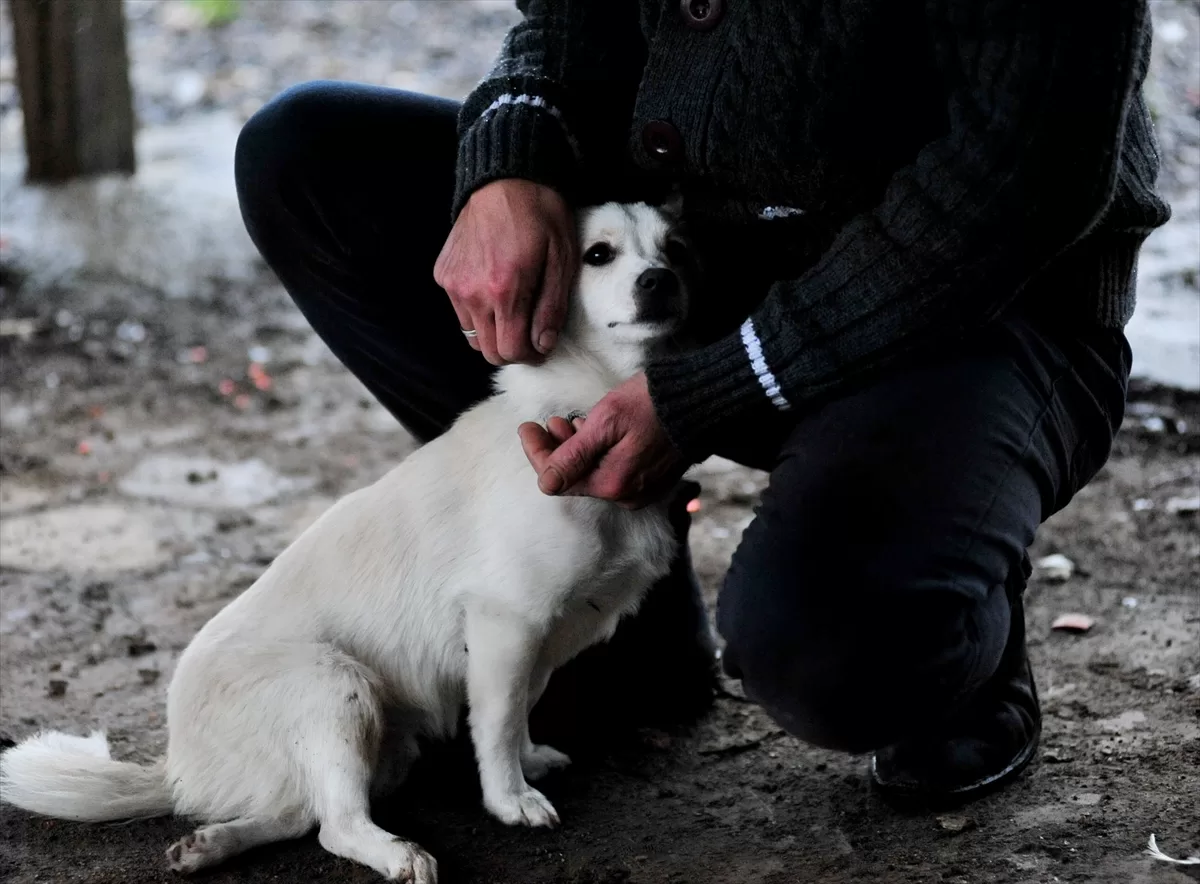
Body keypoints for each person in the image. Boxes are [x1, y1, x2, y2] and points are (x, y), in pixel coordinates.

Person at [234, 0, 1170, 804]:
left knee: (829, 651)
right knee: (308, 160)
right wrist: (510, 160)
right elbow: (568, 20)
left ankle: (961, 636)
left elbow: (1031, 163)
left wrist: (718, 385)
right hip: (684, 255)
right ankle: (613, 614)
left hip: (978, 301)